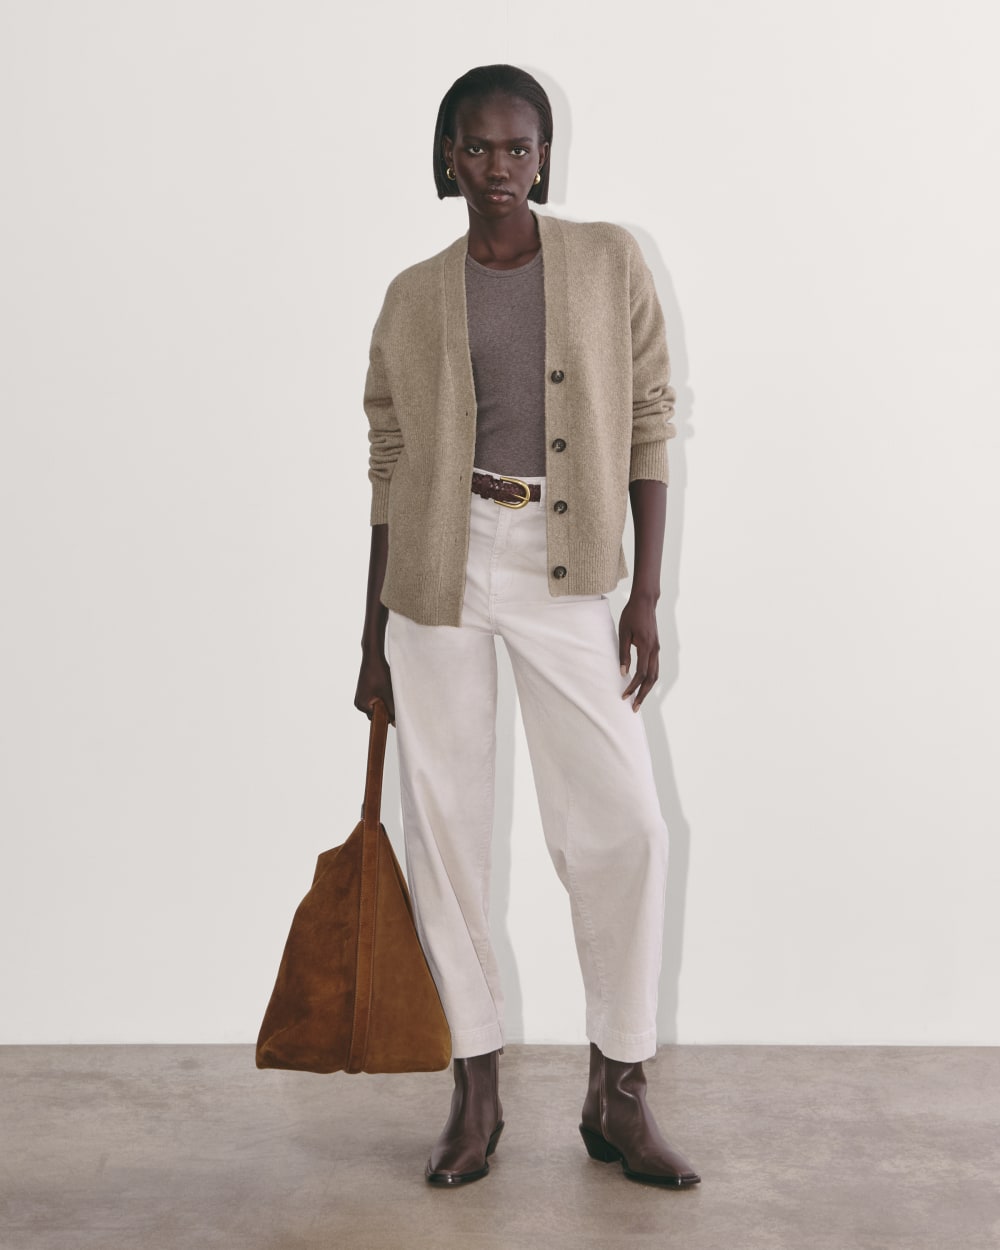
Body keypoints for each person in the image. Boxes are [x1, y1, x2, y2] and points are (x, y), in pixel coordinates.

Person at [354, 64, 700, 1190]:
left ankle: (620, 1087)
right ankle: (476, 1086)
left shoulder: (606, 261)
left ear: (544, 157)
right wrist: (369, 636)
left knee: (627, 825)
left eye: (517, 147)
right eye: (476, 146)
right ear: (446, 157)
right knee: (445, 828)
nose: (497, 167)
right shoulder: (413, 294)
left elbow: (649, 419)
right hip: (437, 567)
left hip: (564, 563)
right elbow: (389, 461)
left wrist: (644, 595)